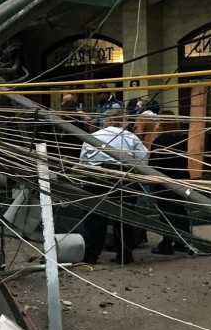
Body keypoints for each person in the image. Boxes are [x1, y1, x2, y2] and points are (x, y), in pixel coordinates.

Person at [79, 107, 147, 264]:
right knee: (124, 219)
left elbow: (83, 160)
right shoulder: (132, 138)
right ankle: (125, 255)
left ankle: (91, 256)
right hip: (124, 179)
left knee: (95, 219)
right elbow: (143, 159)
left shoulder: (95, 136)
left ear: (108, 120)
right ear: (124, 121)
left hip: (97, 178)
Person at [143, 112, 197, 255]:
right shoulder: (180, 139)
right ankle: (184, 242)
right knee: (180, 211)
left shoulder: (160, 140)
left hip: (165, 182)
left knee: (167, 214)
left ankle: (167, 244)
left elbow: (154, 164)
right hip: (181, 179)